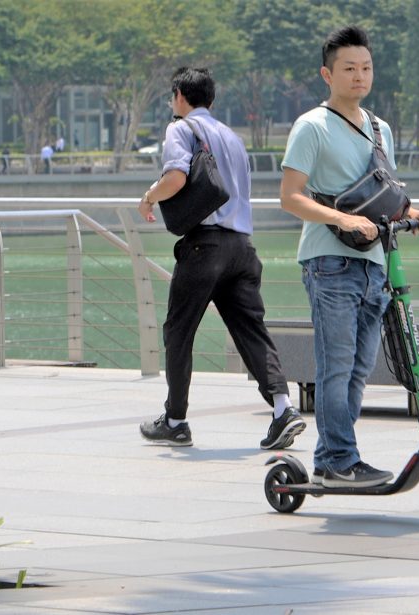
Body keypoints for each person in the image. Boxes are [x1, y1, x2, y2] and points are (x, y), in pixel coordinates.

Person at [280, 26, 419, 487]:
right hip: (329, 262)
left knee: (358, 369)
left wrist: (414, 213)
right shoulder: (312, 126)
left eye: (366, 67)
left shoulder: (379, 128)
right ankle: (338, 460)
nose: (359, 76)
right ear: (327, 74)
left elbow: (384, 196)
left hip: (375, 264)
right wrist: (343, 220)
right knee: (337, 365)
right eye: (349, 68)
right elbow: (290, 197)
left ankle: (334, 457)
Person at [138, 66, 305, 450]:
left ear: (179, 96)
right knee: (251, 330)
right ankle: (283, 408)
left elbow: (176, 178)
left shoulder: (180, 129)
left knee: (179, 331)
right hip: (242, 248)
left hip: (205, 247)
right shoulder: (232, 138)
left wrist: (148, 197)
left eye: (172, 97)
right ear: (211, 100)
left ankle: (175, 421)